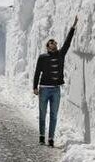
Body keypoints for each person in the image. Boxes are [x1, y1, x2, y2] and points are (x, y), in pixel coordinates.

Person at [33, 15, 78, 147]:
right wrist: (34, 87)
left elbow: (68, 42)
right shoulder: (42, 57)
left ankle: (51, 138)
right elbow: (37, 72)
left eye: (55, 43)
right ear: (47, 47)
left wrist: (73, 26)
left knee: (53, 115)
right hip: (43, 88)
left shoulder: (60, 54)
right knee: (42, 114)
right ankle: (42, 136)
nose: (53, 45)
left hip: (56, 90)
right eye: (51, 44)